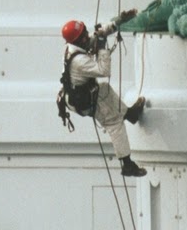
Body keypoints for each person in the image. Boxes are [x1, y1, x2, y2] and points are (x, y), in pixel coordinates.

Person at [60, 19, 147, 177]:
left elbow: (95, 37)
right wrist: (101, 46)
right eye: (84, 35)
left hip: (80, 94)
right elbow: (104, 70)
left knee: (105, 89)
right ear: (78, 40)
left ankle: (130, 114)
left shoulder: (73, 47)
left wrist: (116, 23)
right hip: (83, 101)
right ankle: (127, 164)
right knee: (114, 122)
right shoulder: (79, 60)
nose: (87, 36)